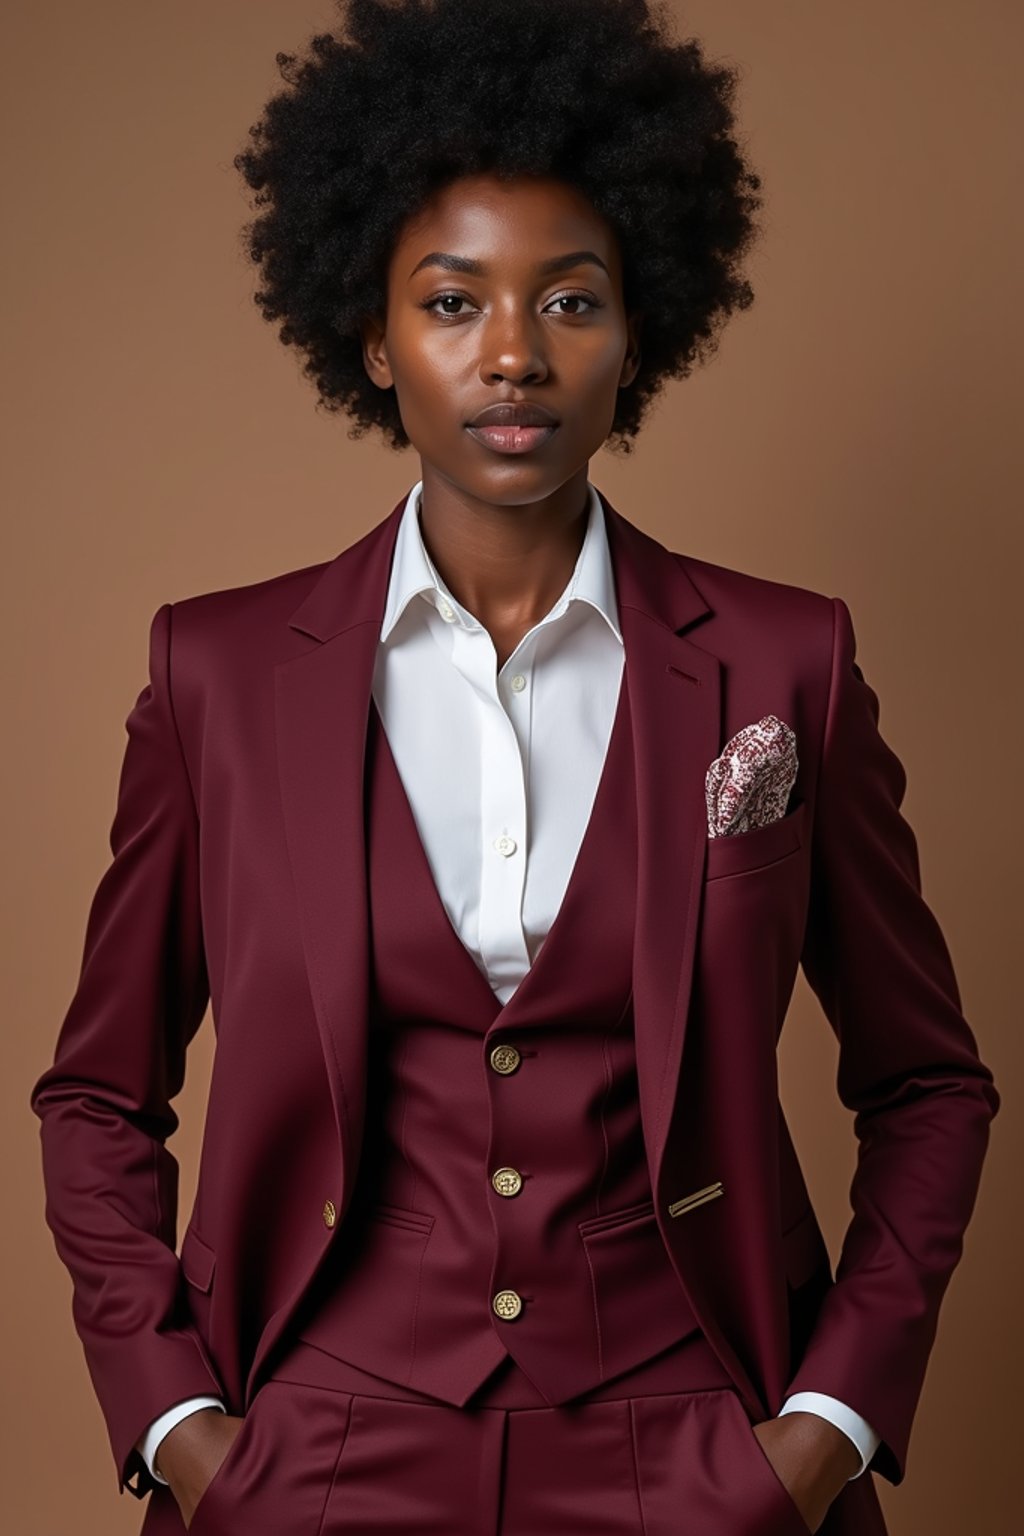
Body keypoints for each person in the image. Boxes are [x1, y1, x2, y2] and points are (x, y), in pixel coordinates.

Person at [30, 2, 999, 1533]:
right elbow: (96, 1094)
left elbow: (931, 1083)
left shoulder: (785, 663)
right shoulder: (212, 673)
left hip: (699, 1432)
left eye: (569, 302)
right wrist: (179, 1426)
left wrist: (820, 1429)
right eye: (452, 300)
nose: (510, 355)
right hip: (315, 1440)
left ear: (639, 332)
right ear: (374, 336)